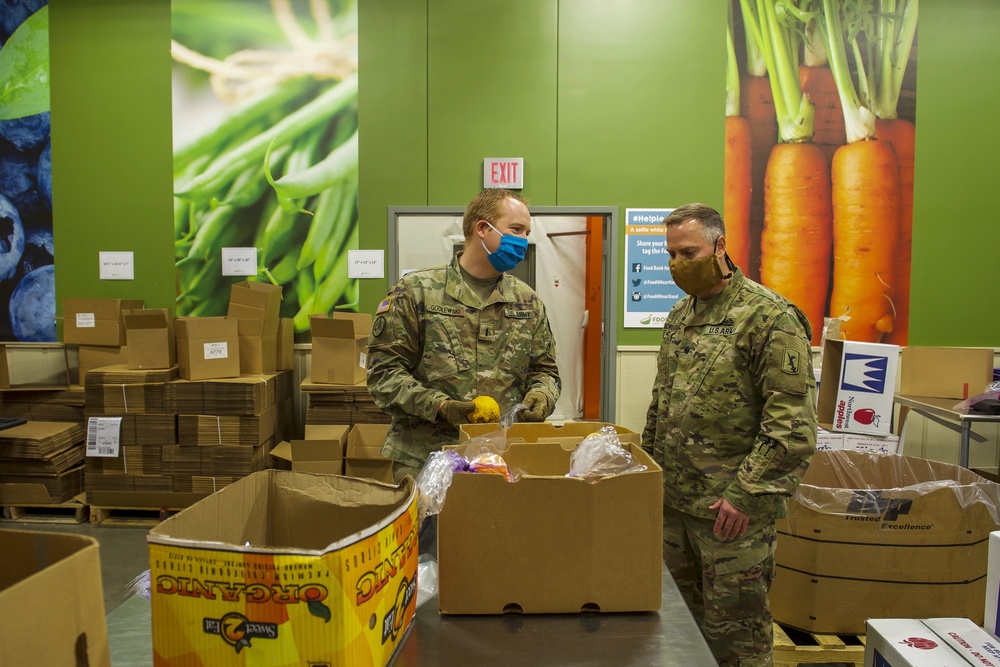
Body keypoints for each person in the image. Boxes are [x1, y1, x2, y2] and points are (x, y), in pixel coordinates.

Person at [641, 203, 817, 667]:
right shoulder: (680, 315)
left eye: (690, 251)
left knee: (735, 638)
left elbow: (791, 426)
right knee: (676, 628)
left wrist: (746, 494)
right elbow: (662, 406)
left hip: (730, 515)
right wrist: (647, 475)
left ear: (720, 246)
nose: (679, 264)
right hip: (674, 508)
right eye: (671, 254)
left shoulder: (770, 318)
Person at [366, 188, 561, 485]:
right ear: (482, 229)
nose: (523, 241)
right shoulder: (416, 291)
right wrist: (441, 406)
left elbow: (545, 372)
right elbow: (384, 376)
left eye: (526, 232)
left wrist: (541, 395)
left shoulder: (526, 302)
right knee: (432, 533)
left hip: (500, 460)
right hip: (426, 459)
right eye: (516, 230)